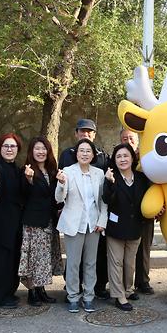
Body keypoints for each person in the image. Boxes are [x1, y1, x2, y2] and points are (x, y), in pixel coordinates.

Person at [58, 119, 110, 300]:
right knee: (73, 262)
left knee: (91, 262)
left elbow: (103, 199)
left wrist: (102, 221)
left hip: (94, 223)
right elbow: (59, 195)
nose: (85, 153)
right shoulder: (67, 165)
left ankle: (90, 294)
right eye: (82, 150)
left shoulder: (100, 168)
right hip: (74, 221)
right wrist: (61, 184)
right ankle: (72, 294)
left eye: (88, 151)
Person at [102, 143, 151, 311]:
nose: (122, 159)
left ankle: (128, 289)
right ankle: (119, 296)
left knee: (130, 263)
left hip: (135, 227)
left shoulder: (141, 178)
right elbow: (107, 199)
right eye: (119, 157)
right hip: (116, 228)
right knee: (116, 262)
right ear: (114, 160)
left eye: (125, 156)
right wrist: (109, 183)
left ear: (132, 158)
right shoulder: (110, 177)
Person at [19, 137, 61, 307]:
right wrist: (28, 180)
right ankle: (32, 292)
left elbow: (56, 196)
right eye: (37, 148)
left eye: (44, 148)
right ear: (31, 151)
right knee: (33, 258)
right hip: (33, 222)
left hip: (50, 221)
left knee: (45, 258)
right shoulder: (26, 170)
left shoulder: (52, 170)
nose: (41, 152)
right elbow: (22, 195)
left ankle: (41, 290)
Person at [0, 133, 24, 308]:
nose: (9, 149)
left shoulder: (17, 169)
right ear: (0, 148)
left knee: (13, 259)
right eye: (6, 146)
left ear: (17, 149)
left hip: (15, 223)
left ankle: (9, 292)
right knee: (1, 261)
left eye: (13, 146)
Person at [121, 128, 155, 295]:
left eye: (132, 138)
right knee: (125, 251)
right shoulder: (119, 158)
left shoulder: (147, 156)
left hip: (145, 210)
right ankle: (125, 285)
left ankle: (143, 282)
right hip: (125, 213)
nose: (129, 141)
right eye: (125, 138)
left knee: (144, 249)